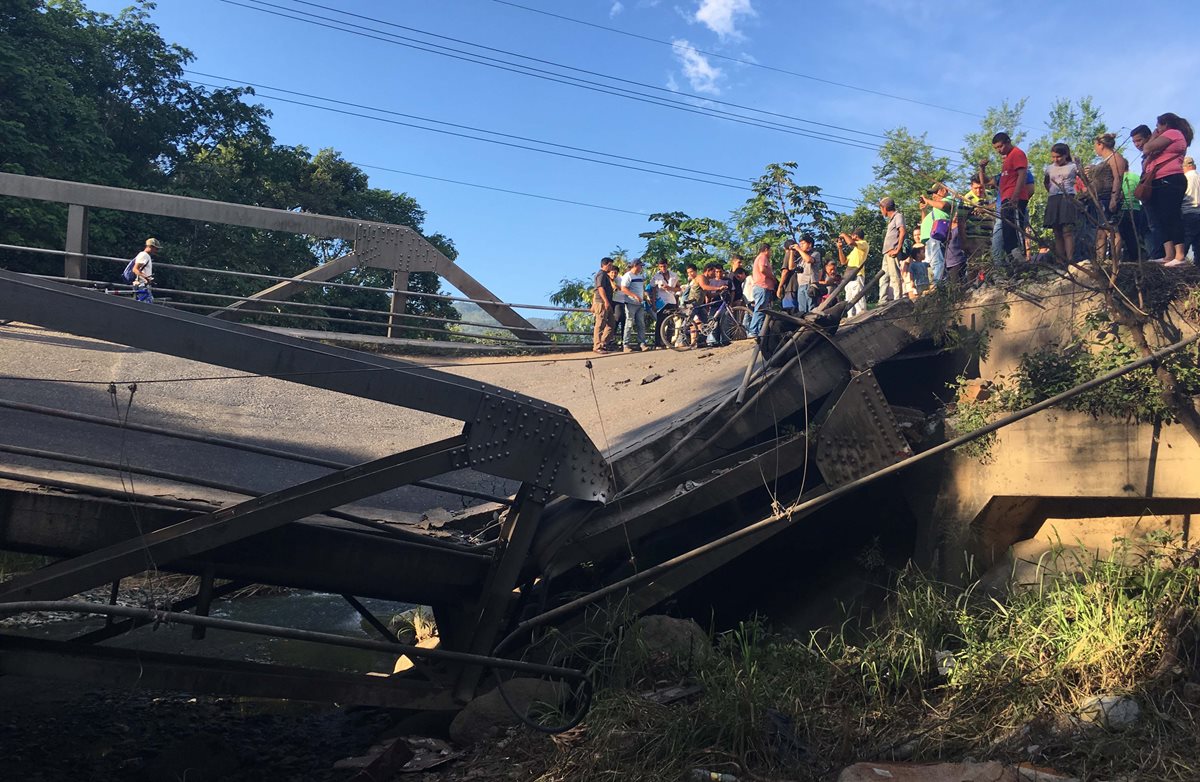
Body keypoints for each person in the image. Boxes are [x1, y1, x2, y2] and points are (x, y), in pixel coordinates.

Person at [1138, 113, 1194, 264]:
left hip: (1170, 178)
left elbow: (1147, 147)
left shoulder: (1173, 133)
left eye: (1158, 126)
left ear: (1165, 124)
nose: (1156, 129)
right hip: (1157, 180)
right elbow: (1146, 161)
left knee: (1171, 215)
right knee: (1160, 218)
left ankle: (1180, 255)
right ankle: (1168, 254)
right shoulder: (1164, 141)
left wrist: (1153, 136)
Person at [988, 132, 1031, 263]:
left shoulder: (1017, 153)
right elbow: (987, 183)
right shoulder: (1007, 158)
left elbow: (1022, 174)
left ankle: (1021, 258)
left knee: (1015, 229)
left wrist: (1016, 195)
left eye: (1000, 146)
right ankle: (1013, 260)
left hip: (1014, 197)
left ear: (1008, 142)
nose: (999, 150)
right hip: (1006, 198)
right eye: (996, 148)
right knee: (1007, 232)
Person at [1087, 133, 1130, 262]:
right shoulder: (1104, 161)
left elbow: (1118, 178)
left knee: (1111, 230)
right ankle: (1101, 260)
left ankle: (1115, 260)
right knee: (1100, 231)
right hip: (1098, 198)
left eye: (1095, 145)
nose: (1095, 148)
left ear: (1101, 145)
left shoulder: (1116, 158)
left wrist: (1114, 198)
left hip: (1108, 197)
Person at [1043, 143, 1078, 263]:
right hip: (1053, 198)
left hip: (1068, 197)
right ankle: (1060, 260)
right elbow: (1046, 182)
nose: (1056, 159)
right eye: (1053, 157)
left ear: (1065, 155)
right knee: (1057, 231)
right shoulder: (1049, 168)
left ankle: (1070, 259)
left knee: (1067, 230)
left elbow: (1082, 180)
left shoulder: (1073, 167)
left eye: (1058, 157)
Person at [919, 185, 951, 284]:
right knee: (932, 264)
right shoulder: (936, 210)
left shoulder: (949, 200)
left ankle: (939, 284)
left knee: (938, 262)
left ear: (944, 190)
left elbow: (943, 206)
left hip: (937, 236)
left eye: (936, 192)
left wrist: (927, 201)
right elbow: (924, 222)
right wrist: (924, 210)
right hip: (930, 239)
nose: (933, 196)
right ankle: (935, 283)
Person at [835, 229, 869, 317]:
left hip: (857, 274)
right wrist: (840, 248)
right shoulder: (854, 250)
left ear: (855, 236)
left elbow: (850, 242)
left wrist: (844, 234)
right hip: (849, 276)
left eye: (852, 236)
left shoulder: (863, 243)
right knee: (849, 298)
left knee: (857, 296)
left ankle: (861, 315)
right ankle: (850, 316)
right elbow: (843, 261)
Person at [879, 197, 906, 303]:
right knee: (883, 278)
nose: (881, 211)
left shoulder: (898, 216)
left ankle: (898, 300)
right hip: (887, 253)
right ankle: (883, 301)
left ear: (885, 208)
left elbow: (902, 231)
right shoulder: (892, 220)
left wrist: (897, 249)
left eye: (881, 209)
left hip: (892, 251)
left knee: (895, 277)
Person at [649, 258, 681, 348]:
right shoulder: (656, 276)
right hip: (661, 301)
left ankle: (668, 342)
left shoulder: (674, 275)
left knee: (671, 322)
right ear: (659, 267)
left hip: (671, 300)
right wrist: (653, 303)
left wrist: (670, 288)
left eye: (664, 266)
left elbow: (679, 288)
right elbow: (653, 290)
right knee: (660, 322)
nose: (663, 268)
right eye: (661, 266)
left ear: (667, 265)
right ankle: (658, 343)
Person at [618, 257, 648, 352]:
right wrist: (634, 296)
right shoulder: (628, 276)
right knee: (629, 323)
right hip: (631, 303)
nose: (641, 268)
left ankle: (642, 343)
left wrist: (645, 296)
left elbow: (641, 288)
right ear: (635, 266)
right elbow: (623, 288)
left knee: (641, 323)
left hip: (640, 303)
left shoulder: (640, 276)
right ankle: (626, 344)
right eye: (640, 266)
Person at [963, 174, 995, 260]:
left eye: (981, 188)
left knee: (989, 262)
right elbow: (961, 220)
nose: (978, 191)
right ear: (971, 187)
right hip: (975, 237)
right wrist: (964, 242)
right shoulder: (967, 198)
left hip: (990, 236)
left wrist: (986, 208)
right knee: (977, 263)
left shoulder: (989, 194)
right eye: (976, 188)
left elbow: (997, 204)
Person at [748, 243, 776, 338]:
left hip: (764, 287)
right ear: (766, 250)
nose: (771, 253)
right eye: (770, 251)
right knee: (760, 309)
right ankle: (753, 331)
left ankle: (759, 331)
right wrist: (772, 277)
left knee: (763, 310)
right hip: (762, 286)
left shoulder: (761, 258)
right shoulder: (762, 257)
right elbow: (762, 269)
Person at [591, 257, 616, 353]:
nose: (611, 267)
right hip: (602, 302)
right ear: (606, 265)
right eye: (610, 265)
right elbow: (600, 288)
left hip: (606, 302)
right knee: (600, 324)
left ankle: (603, 343)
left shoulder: (605, 275)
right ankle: (597, 346)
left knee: (611, 324)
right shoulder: (601, 274)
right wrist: (605, 301)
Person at [130, 237, 160, 303]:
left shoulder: (145, 255)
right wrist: (146, 278)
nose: (156, 251)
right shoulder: (144, 255)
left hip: (143, 285)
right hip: (142, 285)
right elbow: (135, 269)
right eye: (156, 248)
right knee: (146, 305)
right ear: (150, 246)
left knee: (146, 304)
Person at [1182, 156, 1199, 264]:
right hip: (1199, 213)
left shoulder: (1184, 178)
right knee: (1198, 246)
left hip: (1187, 212)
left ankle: (1178, 267)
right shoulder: (1199, 177)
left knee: (1184, 242)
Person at [944, 214, 968, 283]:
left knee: (956, 283)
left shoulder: (961, 227)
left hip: (957, 260)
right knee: (953, 283)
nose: (956, 217)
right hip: (948, 261)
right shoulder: (946, 226)